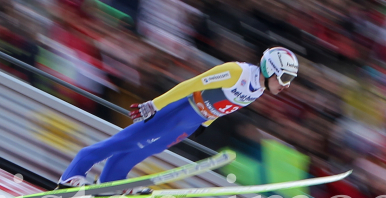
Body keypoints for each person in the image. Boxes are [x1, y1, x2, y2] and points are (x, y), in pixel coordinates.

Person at [58, 47, 299, 186]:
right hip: (180, 109)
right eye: (285, 78)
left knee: (147, 149)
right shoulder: (237, 72)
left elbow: (226, 105)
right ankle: (77, 169)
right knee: (130, 140)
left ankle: (111, 180)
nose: (287, 85)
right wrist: (155, 104)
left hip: (192, 122)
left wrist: (206, 123)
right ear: (270, 70)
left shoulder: (258, 90)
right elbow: (192, 84)